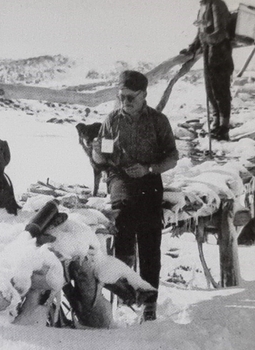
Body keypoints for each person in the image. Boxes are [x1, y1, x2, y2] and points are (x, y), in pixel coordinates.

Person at [92, 70, 179, 321]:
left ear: (144, 95)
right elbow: (103, 159)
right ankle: (125, 293)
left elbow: (171, 158)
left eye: (131, 97)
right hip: (120, 178)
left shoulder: (158, 121)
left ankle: (149, 300)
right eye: (121, 97)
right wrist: (97, 152)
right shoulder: (112, 121)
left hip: (150, 178)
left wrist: (149, 168)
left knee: (150, 236)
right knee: (125, 218)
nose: (125, 102)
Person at [180, 0, 234, 141]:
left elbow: (220, 33)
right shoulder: (203, 6)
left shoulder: (217, 4)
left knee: (220, 91)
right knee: (210, 91)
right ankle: (216, 125)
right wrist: (191, 49)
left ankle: (224, 127)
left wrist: (206, 38)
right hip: (209, 55)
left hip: (220, 55)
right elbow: (200, 33)